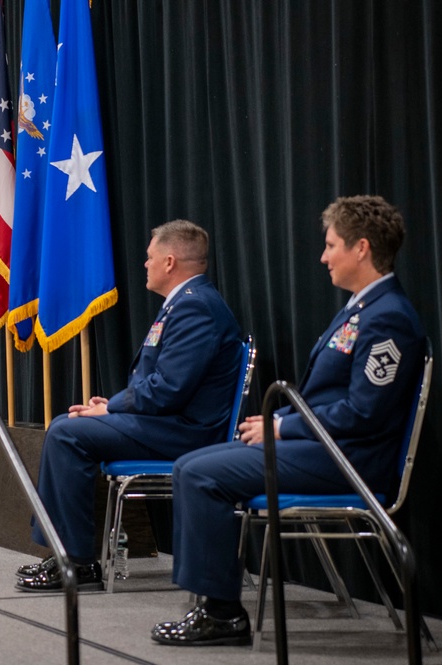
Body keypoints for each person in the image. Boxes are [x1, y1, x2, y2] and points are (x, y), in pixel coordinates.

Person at [152, 195, 426, 646]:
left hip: (351, 459)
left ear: (361, 248)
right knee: (194, 462)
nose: (323, 256)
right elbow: (323, 398)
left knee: (200, 473)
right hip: (323, 447)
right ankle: (210, 601)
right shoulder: (362, 309)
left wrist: (281, 428)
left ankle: (221, 614)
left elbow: (363, 412)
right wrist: (273, 419)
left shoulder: (389, 317)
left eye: (332, 245)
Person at [16, 220, 242, 592]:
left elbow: (168, 389)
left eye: (150, 257)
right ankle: (66, 555)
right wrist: (116, 406)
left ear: (170, 262)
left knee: (68, 433)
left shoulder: (196, 308)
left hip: (187, 433)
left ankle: (74, 561)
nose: (145, 264)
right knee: (65, 425)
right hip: (168, 423)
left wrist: (113, 410)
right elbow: (161, 382)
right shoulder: (184, 304)